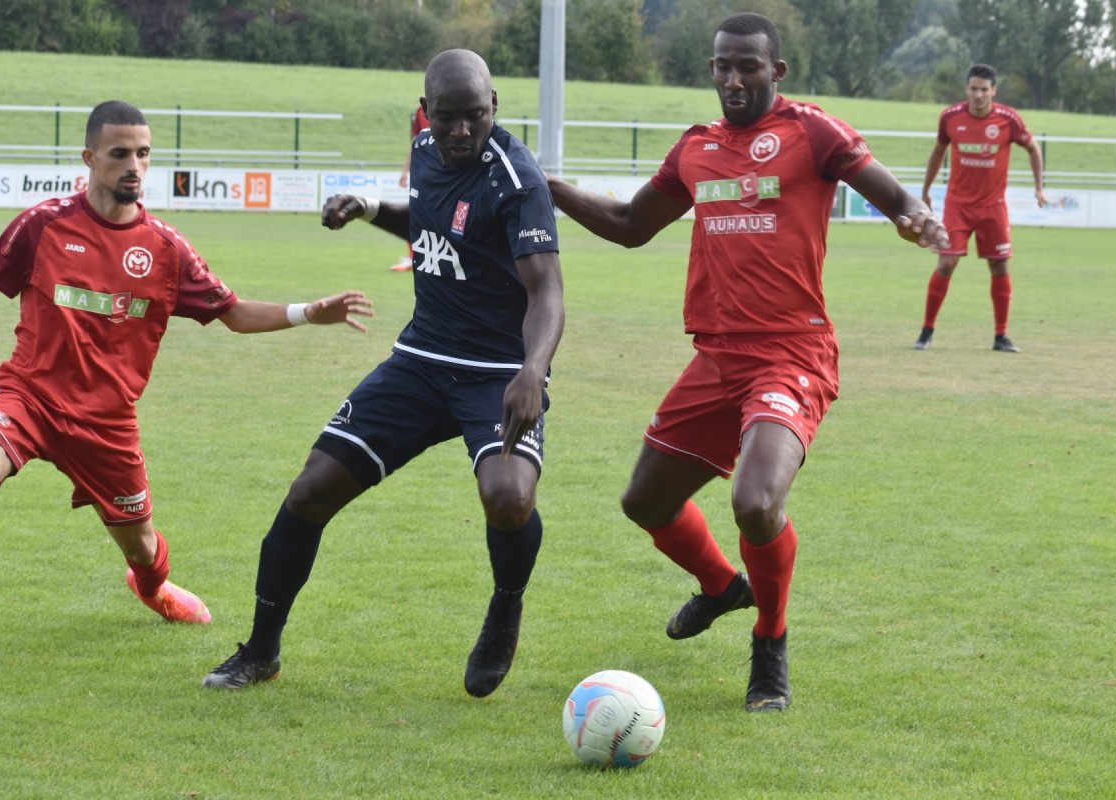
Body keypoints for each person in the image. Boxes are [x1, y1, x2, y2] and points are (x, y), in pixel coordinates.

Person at [547, 13, 948, 712]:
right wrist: (551, 188)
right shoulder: (696, 148)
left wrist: (915, 216)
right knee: (643, 502)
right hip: (717, 357)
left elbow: (891, 194)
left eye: (749, 67)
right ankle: (720, 587)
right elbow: (629, 226)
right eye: (722, 66)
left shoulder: (812, 131)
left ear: (777, 71)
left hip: (792, 353)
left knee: (756, 502)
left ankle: (770, 640)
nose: (733, 79)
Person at [203, 49, 565, 697]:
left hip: (496, 372)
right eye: (447, 117)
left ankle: (505, 606)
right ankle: (259, 651)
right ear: (427, 111)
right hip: (422, 360)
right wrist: (368, 208)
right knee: (310, 490)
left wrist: (532, 370)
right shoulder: (427, 149)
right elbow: (431, 220)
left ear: (495, 108)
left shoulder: (517, 179)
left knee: (508, 499)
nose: (460, 131)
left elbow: (547, 293)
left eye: (474, 117)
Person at [0, 100, 374, 626]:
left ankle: (154, 588)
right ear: (89, 157)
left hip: (107, 424)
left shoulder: (166, 249)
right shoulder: (41, 226)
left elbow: (234, 314)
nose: (134, 165)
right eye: (120, 153)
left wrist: (308, 313)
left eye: (143, 153)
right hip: (28, 397)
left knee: (143, 548)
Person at [915, 63, 1047, 353]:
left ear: (993, 91)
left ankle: (1001, 336)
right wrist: (926, 188)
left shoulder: (1008, 120)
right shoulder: (950, 117)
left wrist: (1039, 186)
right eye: (973, 88)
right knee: (946, 263)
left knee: (999, 265)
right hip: (958, 206)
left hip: (993, 207)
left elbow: (1033, 148)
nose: (978, 94)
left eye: (984, 90)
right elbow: (938, 151)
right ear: (967, 89)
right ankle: (926, 332)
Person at [392, 105, 432, 272]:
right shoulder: (420, 110)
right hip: (423, 170)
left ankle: (419, 256)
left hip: (443, 171)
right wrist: (405, 171)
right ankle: (414, 256)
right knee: (416, 214)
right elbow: (415, 142)